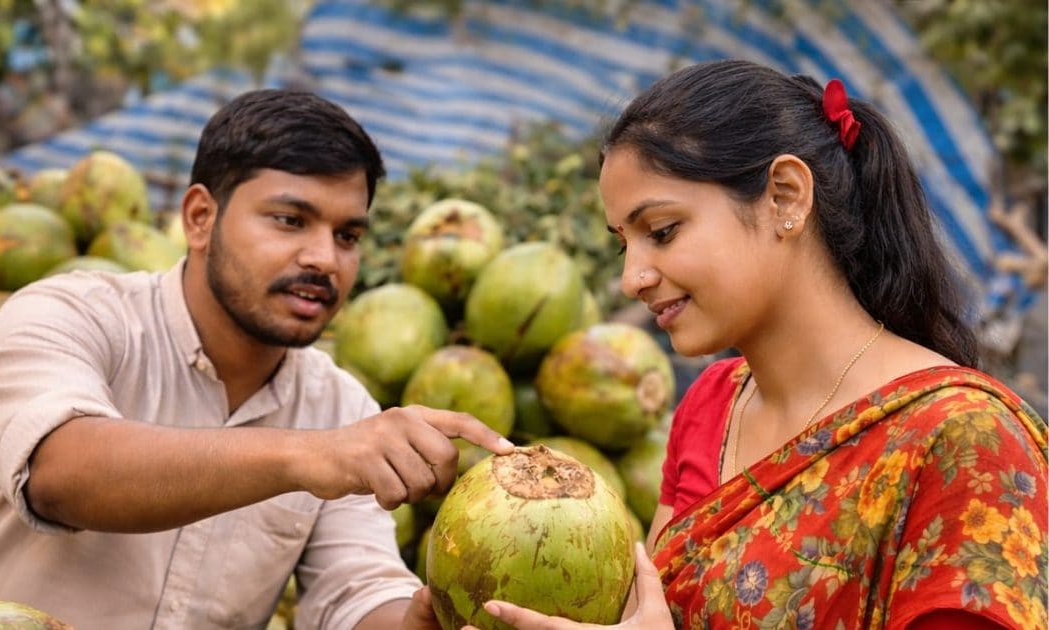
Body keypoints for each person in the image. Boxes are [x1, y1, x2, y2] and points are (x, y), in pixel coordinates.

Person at [448, 60, 1048, 629]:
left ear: (785, 196)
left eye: (661, 231)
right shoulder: (711, 406)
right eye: (623, 244)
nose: (633, 278)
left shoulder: (965, 438)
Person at [0, 89, 512, 629]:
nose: (324, 259)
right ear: (200, 218)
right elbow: (60, 474)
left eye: (348, 236)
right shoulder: (70, 315)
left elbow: (355, 592)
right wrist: (309, 454)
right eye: (291, 220)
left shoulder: (340, 406)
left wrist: (425, 619)